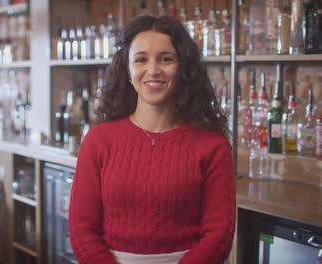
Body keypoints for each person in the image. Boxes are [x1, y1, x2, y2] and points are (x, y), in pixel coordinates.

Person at [68, 15, 236, 264]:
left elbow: (218, 236)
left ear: (183, 69)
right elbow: (81, 229)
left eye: (166, 59)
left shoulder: (212, 145)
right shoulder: (99, 140)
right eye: (141, 59)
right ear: (127, 70)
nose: (153, 70)